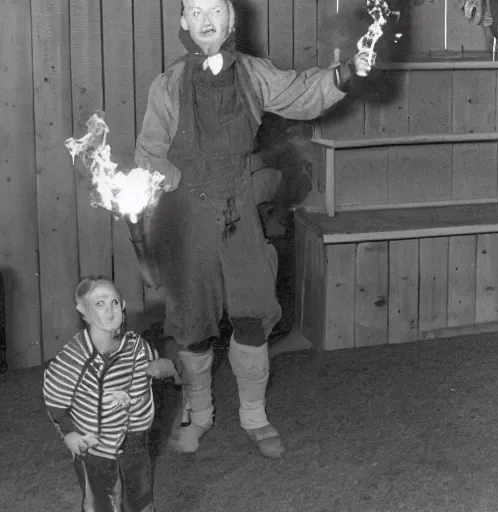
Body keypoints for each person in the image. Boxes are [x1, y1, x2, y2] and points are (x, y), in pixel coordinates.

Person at [135, 0, 371, 459]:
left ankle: (254, 415)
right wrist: (178, 184)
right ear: (184, 22)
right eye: (196, 11)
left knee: (252, 312)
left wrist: (345, 76)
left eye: (216, 10)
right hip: (186, 214)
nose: (206, 20)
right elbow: (149, 154)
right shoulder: (167, 85)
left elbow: (302, 92)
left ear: (231, 19)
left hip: (239, 209)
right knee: (193, 323)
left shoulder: (254, 73)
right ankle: (199, 413)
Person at [43, 275, 179, 512]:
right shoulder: (73, 360)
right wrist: (69, 433)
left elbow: (156, 367)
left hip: (136, 439)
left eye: (114, 303)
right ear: (83, 311)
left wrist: (165, 369)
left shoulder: (136, 345)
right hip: (96, 447)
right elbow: (55, 402)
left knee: (140, 493)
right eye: (99, 304)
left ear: (123, 306)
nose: (109, 311)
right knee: (101, 500)